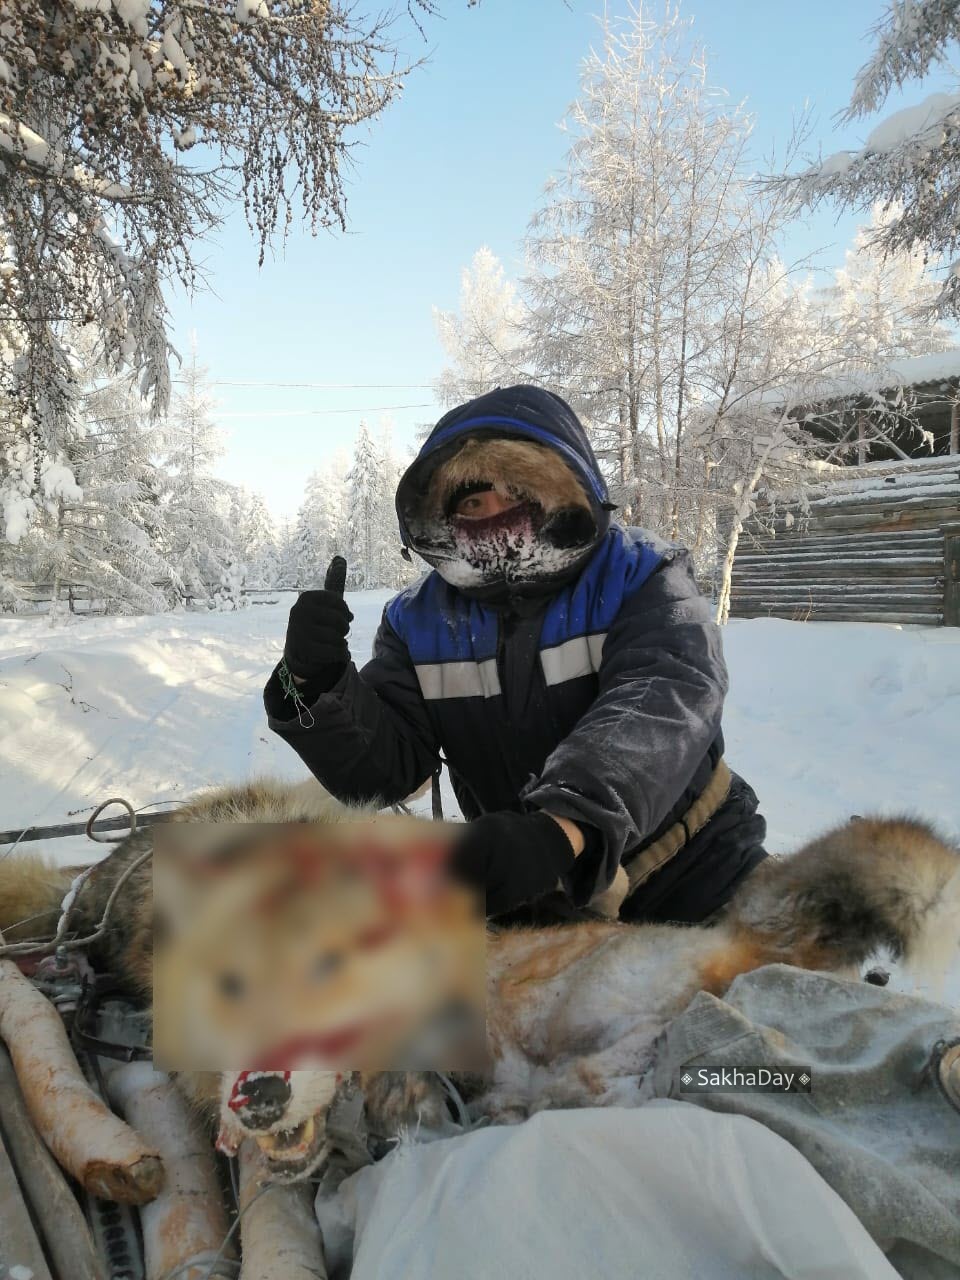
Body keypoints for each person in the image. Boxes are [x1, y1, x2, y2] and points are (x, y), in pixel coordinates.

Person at [264, 384, 767, 923]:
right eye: (473, 502)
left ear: (561, 493)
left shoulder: (640, 575)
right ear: (443, 518)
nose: (494, 515)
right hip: (528, 882)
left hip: (692, 865)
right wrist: (311, 683)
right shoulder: (418, 620)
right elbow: (386, 772)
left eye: (516, 493)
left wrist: (566, 824)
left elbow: (664, 699)